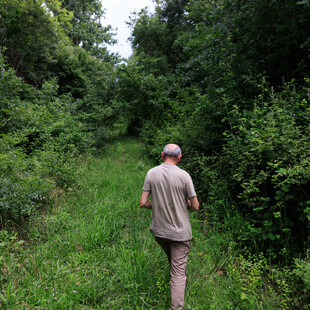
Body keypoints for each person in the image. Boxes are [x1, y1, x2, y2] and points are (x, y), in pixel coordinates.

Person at [140, 143, 199, 310]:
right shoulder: (184, 176)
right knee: (178, 273)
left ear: (162, 155)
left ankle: (175, 284)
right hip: (180, 233)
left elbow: (143, 202)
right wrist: (184, 204)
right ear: (179, 157)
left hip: (160, 232)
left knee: (174, 263)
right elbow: (195, 206)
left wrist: (158, 204)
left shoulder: (151, 173)